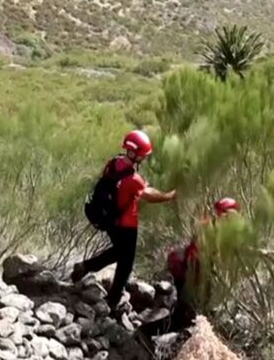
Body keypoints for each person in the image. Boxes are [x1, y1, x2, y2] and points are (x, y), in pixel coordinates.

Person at [71, 130, 176, 312]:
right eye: (143, 155)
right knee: (125, 262)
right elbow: (149, 196)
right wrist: (169, 196)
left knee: (118, 253)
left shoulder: (113, 163)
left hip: (110, 220)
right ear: (137, 154)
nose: (144, 158)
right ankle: (112, 299)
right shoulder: (133, 179)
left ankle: (85, 267)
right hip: (126, 225)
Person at [167, 197, 239, 328]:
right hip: (192, 268)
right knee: (187, 303)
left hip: (199, 268)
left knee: (198, 301)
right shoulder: (209, 227)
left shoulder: (217, 227)